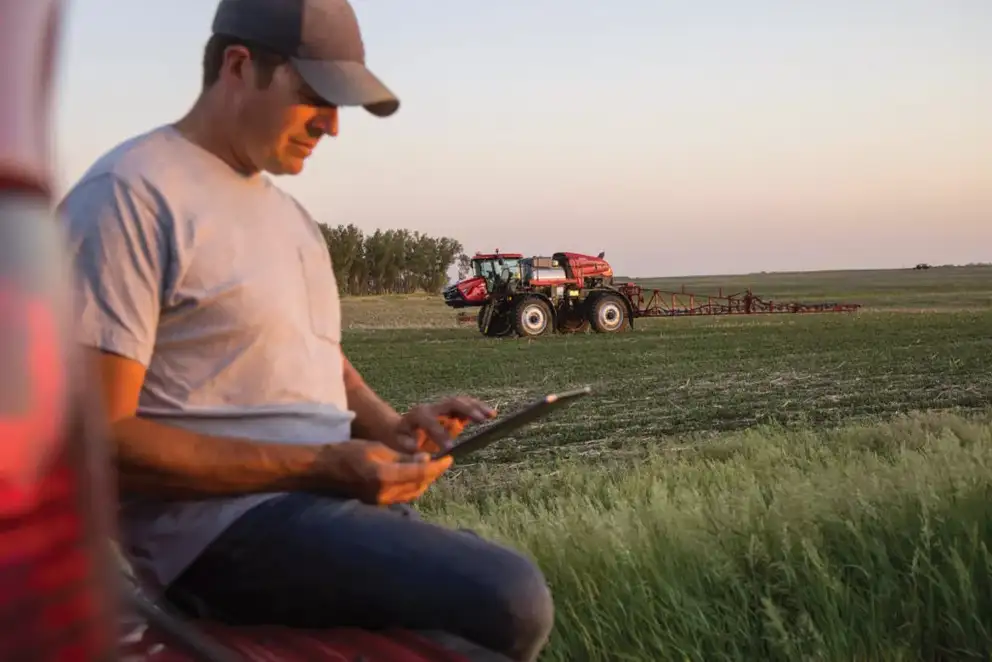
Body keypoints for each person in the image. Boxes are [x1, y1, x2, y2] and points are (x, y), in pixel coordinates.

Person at [59, 0, 555, 660]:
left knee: (479, 628)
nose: (332, 126)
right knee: (508, 597)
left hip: (316, 504)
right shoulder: (131, 194)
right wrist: (324, 464)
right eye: (315, 95)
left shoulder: (290, 219)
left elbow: (320, 357)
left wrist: (387, 426)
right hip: (223, 533)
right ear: (240, 66)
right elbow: (100, 439)